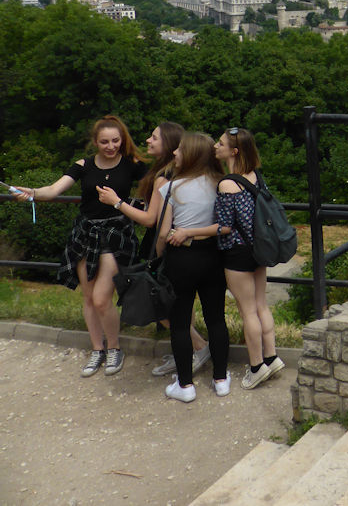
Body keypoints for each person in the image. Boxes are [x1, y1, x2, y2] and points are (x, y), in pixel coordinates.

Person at [15, 116, 147, 377]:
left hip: (116, 234)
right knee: (88, 297)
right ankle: (97, 349)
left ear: (123, 140)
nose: (111, 146)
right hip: (85, 233)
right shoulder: (83, 165)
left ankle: (115, 348)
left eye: (116, 141)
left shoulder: (133, 165)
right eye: (105, 142)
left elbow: (156, 189)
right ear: (95, 142)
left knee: (101, 298)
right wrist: (32, 192)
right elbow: (54, 190)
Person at [110, 121, 210, 378]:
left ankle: (198, 347)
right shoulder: (176, 171)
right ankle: (185, 350)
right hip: (180, 242)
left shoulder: (163, 176)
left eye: (154, 137)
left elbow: (150, 220)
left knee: (160, 302)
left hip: (162, 242)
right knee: (176, 301)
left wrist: (117, 203)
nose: (148, 141)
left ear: (168, 144)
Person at [158, 132, 232, 402]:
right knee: (216, 318)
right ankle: (221, 379)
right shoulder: (221, 184)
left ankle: (185, 385)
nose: (175, 153)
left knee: (179, 323)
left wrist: (161, 254)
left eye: (179, 150)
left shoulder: (170, 188)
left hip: (181, 258)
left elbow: (164, 233)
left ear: (190, 155)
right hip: (213, 256)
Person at [213, 127, 285, 390]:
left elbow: (224, 225)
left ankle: (256, 367)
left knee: (247, 311)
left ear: (234, 151)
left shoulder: (227, 184)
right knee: (261, 305)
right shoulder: (256, 176)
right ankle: (272, 356)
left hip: (237, 252)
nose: (215, 146)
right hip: (259, 250)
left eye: (220, 143)